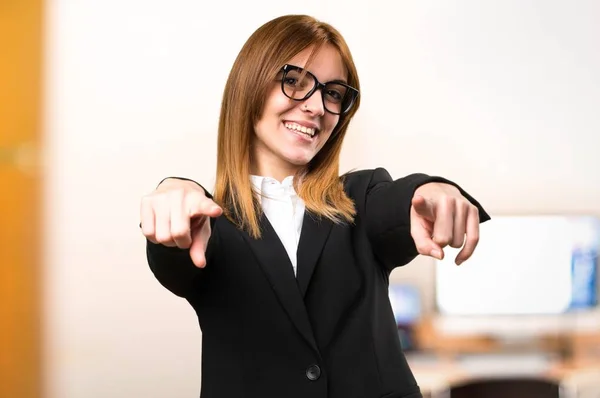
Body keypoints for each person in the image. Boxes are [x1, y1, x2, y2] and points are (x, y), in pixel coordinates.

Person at [140, 14, 490, 398]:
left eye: (334, 93)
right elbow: (173, 255)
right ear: (250, 85)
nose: (317, 107)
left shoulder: (360, 198)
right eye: (294, 81)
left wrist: (431, 191)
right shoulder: (206, 222)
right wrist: (173, 190)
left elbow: (396, 204)